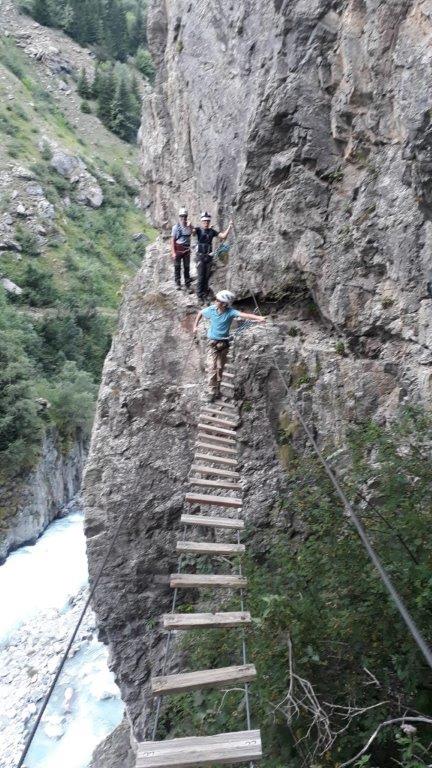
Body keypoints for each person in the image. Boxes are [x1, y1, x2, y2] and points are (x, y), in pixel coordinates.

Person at [193, 290, 266, 402]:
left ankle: (217, 389)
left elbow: (244, 315)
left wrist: (259, 318)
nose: (215, 301)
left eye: (218, 300)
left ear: (224, 304)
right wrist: (195, 326)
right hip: (212, 344)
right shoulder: (212, 310)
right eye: (217, 300)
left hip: (223, 344)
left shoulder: (230, 312)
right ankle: (211, 391)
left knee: (220, 368)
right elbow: (200, 313)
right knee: (212, 367)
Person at [193, 212, 232, 304]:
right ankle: (199, 296)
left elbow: (223, 236)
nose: (206, 222)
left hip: (209, 257)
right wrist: (191, 227)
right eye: (204, 221)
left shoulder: (212, 231)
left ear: (209, 221)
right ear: (202, 221)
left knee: (206, 278)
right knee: (201, 277)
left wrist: (229, 227)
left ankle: (204, 295)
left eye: (207, 221)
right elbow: (193, 232)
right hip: (200, 256)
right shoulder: (198, 230)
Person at [171, 207, 193, 291]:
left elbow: (194, 233)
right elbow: (172, 241)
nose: (183, 218)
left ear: (187, 217)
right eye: (182, 216)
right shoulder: (175, 228)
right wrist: (173, 252)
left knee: (187, 267)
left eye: (185, 216)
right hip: (178, 249)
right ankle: (178, 283)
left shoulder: (189, 226)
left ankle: (187, 285)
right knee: (177, 267)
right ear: (179, 217)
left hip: (186, 250)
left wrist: (190, 226)